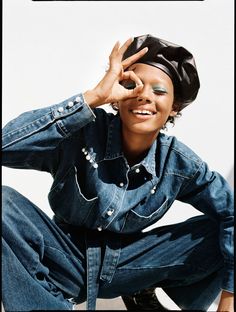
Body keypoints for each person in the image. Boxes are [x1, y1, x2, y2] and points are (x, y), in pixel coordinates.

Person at [2, 34, 234, 311]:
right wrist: (93, 98)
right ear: (118, 96)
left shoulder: (179, 164)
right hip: (61, 255)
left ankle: (149, 295)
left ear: (174, 108)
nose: (144, 96)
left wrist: (228, 301)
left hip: (129, 264)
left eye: (159, 91)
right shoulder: (81, 133)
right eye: (131, 85)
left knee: (220, 226)